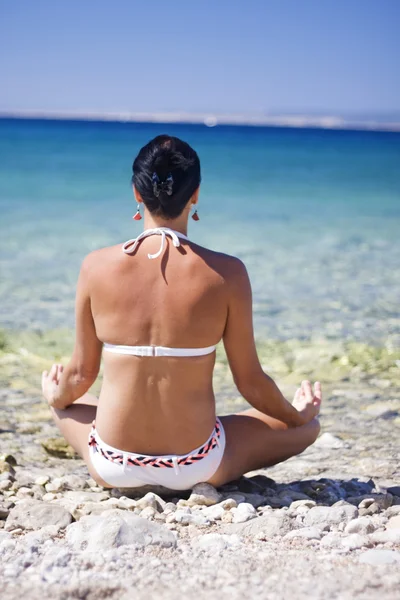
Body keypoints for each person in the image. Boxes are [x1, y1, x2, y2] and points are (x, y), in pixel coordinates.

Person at [42, 134, 321, 490]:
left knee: (65, 400)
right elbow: (250, 382)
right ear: (196, 195)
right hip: (196, 463)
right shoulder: (227, 273)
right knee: (307, 428)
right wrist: (296, 415)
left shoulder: (95, 266)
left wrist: (55, 395)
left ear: (137, 194)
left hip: (112, 464)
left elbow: (80, 374)